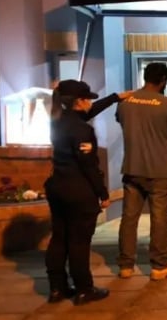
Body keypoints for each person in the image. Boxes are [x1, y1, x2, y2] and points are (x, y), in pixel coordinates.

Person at [45, 80, 118, 305]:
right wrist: (102, 193)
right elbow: (87, 165)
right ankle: (84, 289)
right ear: (79, 102)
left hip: (57, 188)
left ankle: (57, 288)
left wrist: (115, 97)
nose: (90, 103)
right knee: (79, 242)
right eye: (88, 99)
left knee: (60, 238)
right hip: (78, 191)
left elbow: (85, 114)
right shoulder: (82, 130)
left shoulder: (57, 121)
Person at [116, 62, 167, 281]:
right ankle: (159, 266)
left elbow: (124, 125)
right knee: (160, 219)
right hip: (159, 170)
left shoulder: (126, 103)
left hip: (132, 167)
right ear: (164, 80)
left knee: (129, 218)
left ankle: (126, 266)